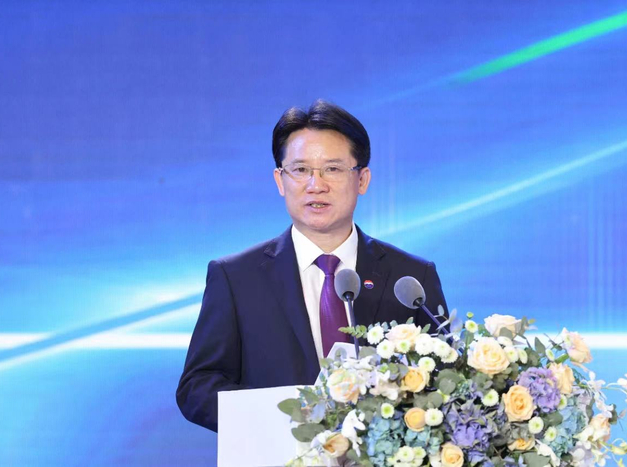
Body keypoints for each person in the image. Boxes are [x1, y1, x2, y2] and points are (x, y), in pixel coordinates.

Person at [176, 100, 448, 432]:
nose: (315, 184)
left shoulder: (410, 278)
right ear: (280, 181)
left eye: (332, 169)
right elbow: (197, 388)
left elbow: (445, 378)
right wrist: (286, 419)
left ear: (362, 179)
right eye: (301, 170)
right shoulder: (236, 279)